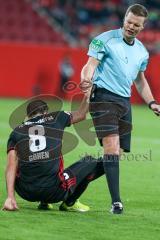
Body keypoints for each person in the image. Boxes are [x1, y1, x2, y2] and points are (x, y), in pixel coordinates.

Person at [80, 4, 160, 214]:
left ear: (143, 26)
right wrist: (86, 80)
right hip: (103, 97)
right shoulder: (104, 39)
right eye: (129, 22)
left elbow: (140, 81)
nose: (131, 27)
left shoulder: (142, 51)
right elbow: (90, 64)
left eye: (136, 24)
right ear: (124, 19)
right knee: (112, 149)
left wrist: (152, 102)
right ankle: (116, 202)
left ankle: (74, 181)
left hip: (124, 102)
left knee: (117, 154)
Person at [2, 97, 104, 212]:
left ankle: (43, 202)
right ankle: (70, 202)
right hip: (53, 191)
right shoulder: (55, 117)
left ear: (28, 115)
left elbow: (11, 167)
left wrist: (10, 197)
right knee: (93, 161)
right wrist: (87, 95)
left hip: (25, 192)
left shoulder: (16, 131)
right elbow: (81, 114)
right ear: (45, 113)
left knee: (29, 163)